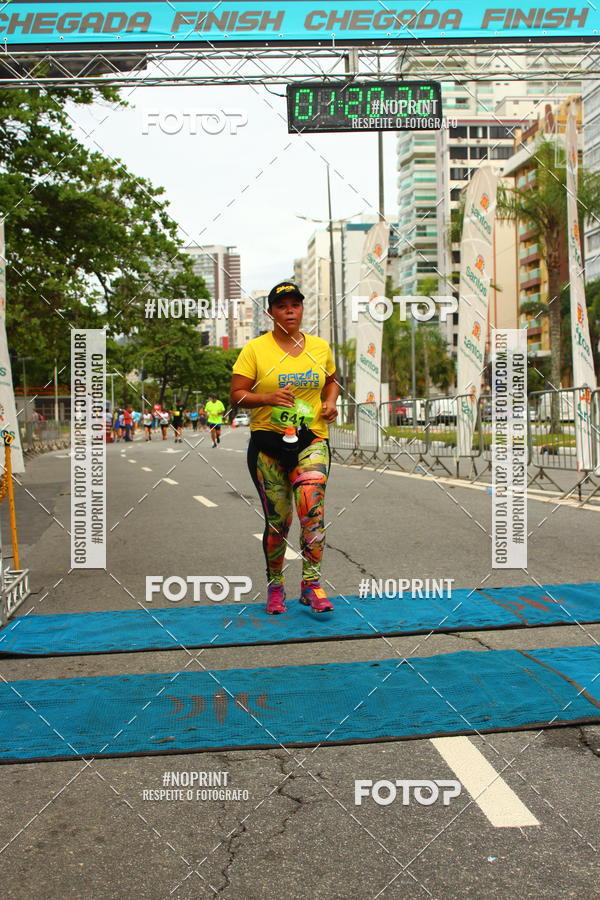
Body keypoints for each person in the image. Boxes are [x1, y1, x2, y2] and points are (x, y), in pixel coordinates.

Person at [230, 280, 339, 616]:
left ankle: (312, 585)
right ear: (271, 313)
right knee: (279, 521)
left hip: (311, 439)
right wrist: (267, 398)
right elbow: (237, 395)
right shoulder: (255, 350)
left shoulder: (319, 348)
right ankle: (275, 585)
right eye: (282, 306)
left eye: (295, 305)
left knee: (312, 510)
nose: (290, 311)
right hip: (268, 443)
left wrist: (330, 403)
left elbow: (332, 380)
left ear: (302, 309)